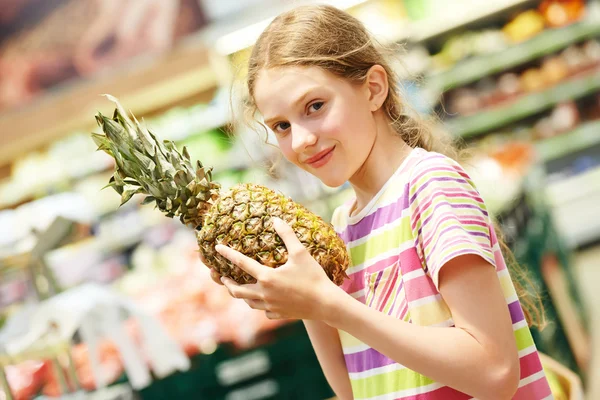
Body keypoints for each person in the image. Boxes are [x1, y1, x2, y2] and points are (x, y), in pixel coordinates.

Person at [205, 4, 552, 399]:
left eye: (314, 107)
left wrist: (330, 305)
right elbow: (358, 390)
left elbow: (495, 373)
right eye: (281, 126)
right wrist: (304, 302)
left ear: (373, 88)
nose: (299, 140)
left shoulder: (430, 186)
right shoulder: (341, 227)